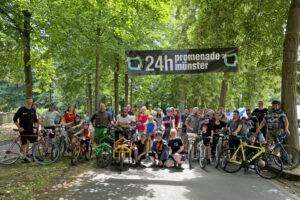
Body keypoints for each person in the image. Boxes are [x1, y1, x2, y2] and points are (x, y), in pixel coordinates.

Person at [13, 97, 38, 163]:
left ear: (32, 103)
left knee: (35, 142)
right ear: (25, 102)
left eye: (30, 102)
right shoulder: (21, 109)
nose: (29, 103)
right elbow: (15, 119)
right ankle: (23, 158)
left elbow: (35, 120)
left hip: (31, 129)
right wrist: (19, 127)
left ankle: (34, 156)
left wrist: (35, 128)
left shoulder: (33, 110)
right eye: (28, 102)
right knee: (24, 143)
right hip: (23, 130)